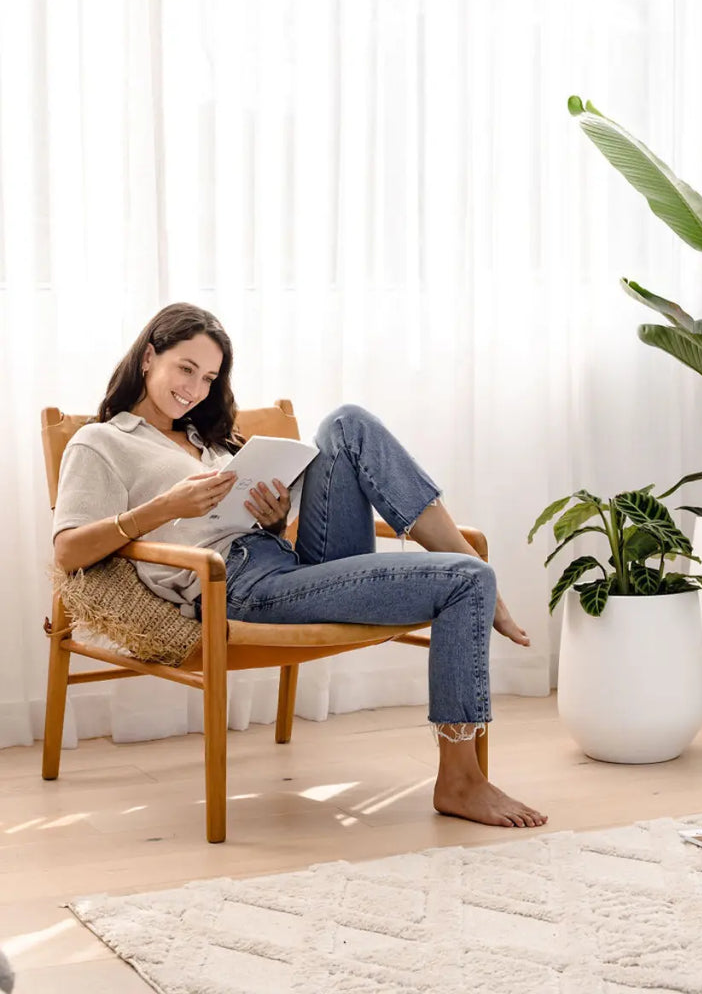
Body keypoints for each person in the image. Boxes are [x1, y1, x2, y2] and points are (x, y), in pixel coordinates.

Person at [53, 302, 547, 829]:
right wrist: (164, 507)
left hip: (286, 562)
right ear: (149, 357)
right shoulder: (101, 441)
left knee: (347, 422)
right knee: (468, 580)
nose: (194, 388)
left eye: (209, 377)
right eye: (185, 369)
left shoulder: (208, 440)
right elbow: (67, 550)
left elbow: (243, 518)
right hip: (236, 585)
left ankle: (471, 579)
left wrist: (274, 518)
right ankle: (460, 780)